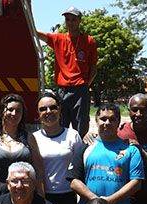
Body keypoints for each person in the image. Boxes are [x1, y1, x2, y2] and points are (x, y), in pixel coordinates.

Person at [67, 103, 144, 204]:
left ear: (119, 122)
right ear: (96, 120)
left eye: (112, 119)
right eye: (103, 119)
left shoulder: (131, 149)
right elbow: (74, 181)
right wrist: (96, 200)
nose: (107, 123)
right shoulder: (86, 146)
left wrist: (110, 201)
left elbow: (136, 183)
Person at [31, 91, 83, 204]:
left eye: (53, 107)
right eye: (43, 109)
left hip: (67, 198)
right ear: (38, 113)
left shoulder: (72, 135)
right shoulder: (33, 138)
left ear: (60, 110)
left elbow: (80, 167)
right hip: (43, 198)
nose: (48, 112)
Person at [37, 6, 98, 137]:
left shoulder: (89, 41)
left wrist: (85, 85)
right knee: (60, 125)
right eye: (67, 19)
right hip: (62, 90)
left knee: (81, 126)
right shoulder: (59, 39)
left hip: (80, 90)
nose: (70, 22)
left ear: (79, 21)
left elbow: (93, 68)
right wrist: (28, 25)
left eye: (73, 19)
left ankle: (79, 147)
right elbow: (40, 35)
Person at [0, 93, 45, 204]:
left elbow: (39, 170)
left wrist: (41, 199)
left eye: (18, 111)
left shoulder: (29, 138)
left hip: (26, 202)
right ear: (2, 112)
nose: (14, 113)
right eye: (10, 109)